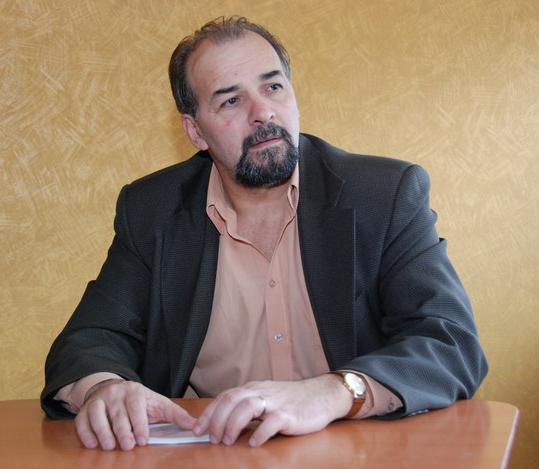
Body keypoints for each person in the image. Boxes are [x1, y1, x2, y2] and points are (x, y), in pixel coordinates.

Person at [41, 16, 488, 451]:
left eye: (273, 87)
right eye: (230, 101)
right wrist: (106, 388)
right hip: (213, 454)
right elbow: (90, 338)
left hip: (358, 451)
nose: (263, 113)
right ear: (195, 131)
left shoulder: (382, 195)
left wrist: (334, 391)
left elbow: (449, 342)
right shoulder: (152, 212)